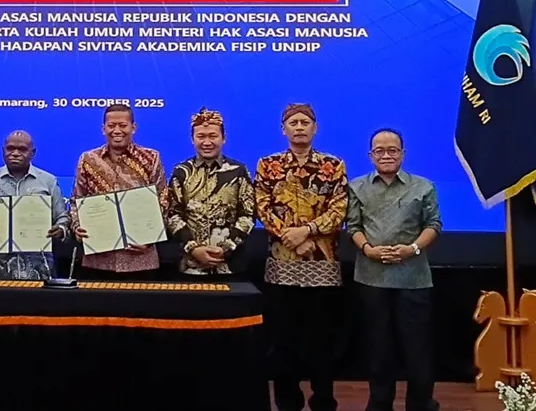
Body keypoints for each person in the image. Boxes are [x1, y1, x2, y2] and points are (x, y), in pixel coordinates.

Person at [255, 103, 348, 411]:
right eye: (293, 123)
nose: (299, 127)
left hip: (322, 267)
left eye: (304, 122)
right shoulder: (268, 165)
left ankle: (323, 401)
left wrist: (306, 231)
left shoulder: (333, 166)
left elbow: (339, 210)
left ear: (315, 128)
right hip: (282, 266)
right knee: (283, 342)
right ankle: (287, 402)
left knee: (322, 341)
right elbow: (262, 207)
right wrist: (290, 238)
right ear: (283, 129)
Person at [347, 129, 442, 411]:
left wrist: (412, 249)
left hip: (413, 279)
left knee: (418, 351)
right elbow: (353, 226)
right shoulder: (357, 187)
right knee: (378, 350)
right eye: (380, 150)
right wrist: (368, 250)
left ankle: (420, 404)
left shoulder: (423, 186)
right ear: (370, 155)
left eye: (392, 150)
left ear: (403, 153)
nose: (386, 155)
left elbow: (433, 225)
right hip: (371, 278)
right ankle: (379, 404)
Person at [0, 130, 69, 280]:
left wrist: (60, 229)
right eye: (10, 148)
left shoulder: (48, 182)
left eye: (22, 149)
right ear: (3, 151)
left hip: (39, 269)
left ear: (32, 153)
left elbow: (62, 217)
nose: (15, 153)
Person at [71, 103, 166, 279]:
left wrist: (151, 237)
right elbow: (77, 201)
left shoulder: (151, 158)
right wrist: (77, 227)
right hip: (98, 259)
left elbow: (163, 201)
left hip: (141, 259)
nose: (117, 130)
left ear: (133, 127)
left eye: (123, 125)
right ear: (103, 129)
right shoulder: (88, 159)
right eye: (111, 125)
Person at [163, 107, 254, 276]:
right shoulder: (181, 172)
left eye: (213, 136)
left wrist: (225, 248)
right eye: (201, 136)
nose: (207, 142)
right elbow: (173, 215)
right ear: (192, 139)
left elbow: (248, 215)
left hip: (230, 265)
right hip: (190, 266)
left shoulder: (238, 171)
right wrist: (193, 248)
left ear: (223, 138)